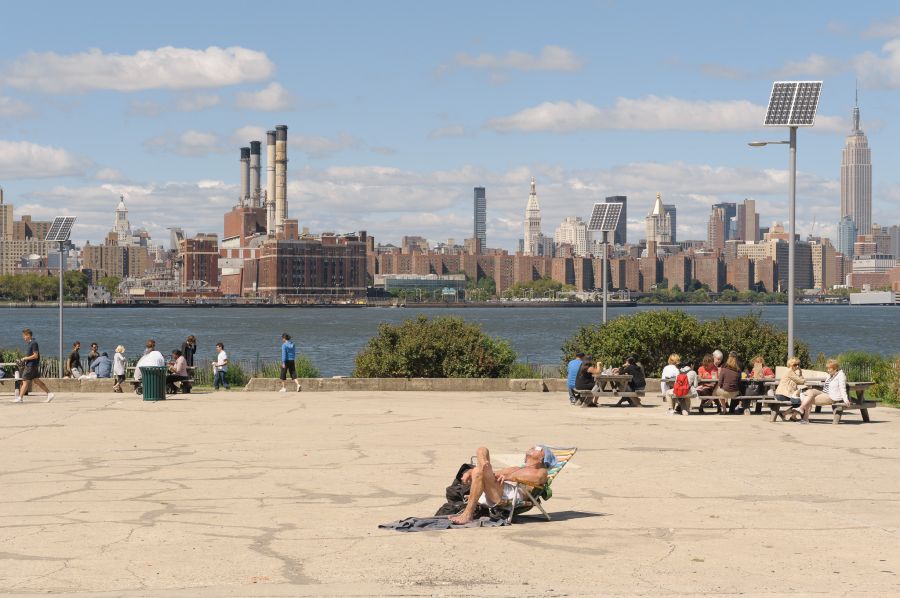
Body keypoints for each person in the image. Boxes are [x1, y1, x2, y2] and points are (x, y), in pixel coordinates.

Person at [448, 445, 552, 525]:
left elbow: (538, 479)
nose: (534, 447)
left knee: (479, 471)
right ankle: (481, 466)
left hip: (510, 494)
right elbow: (493, 474)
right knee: (482, 450)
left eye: (538, 448)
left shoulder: (541, 471)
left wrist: (510, 477)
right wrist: (470, 472)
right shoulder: (516, 468)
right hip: (499, 488)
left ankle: (467, 514)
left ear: (541, 459)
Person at [797, 359, 849, 424]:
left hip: (831, 396)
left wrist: (846, 400)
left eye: (829, 369)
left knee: (808, 399)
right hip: (824, 393)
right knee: (810, 392)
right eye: (828, 369)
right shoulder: (830, 375)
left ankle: (805, 418)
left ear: (835, 368)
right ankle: (801, 408)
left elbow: (842, 388)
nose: (828, 370)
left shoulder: (841, 376)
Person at [14, 328, 54, 403]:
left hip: (31, 365)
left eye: (24, 336)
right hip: (33, 365)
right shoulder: (31, 343)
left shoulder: (33, 343)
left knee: (25, 381)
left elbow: (35, 355)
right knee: (36, 381)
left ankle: (20, 398)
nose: (23, 337)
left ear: (28, 335)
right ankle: (49, 394)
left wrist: (25, 358)